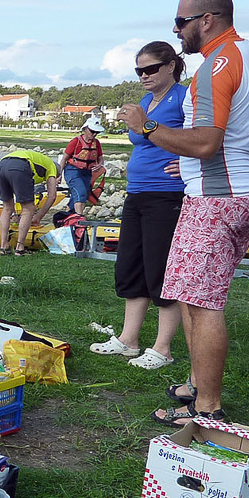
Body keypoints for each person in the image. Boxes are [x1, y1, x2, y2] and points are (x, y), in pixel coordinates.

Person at [117, 0, 249, 426]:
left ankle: (207, 407)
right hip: (244, 193)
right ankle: (197, 384)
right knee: (194, 293)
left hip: (215, 203)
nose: (176, 30)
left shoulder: (213, 68)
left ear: (206, 20)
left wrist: (147, 125)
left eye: (180, 22)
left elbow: (205, 141)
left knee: (201, 302)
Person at [90, 42, 188, 371]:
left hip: (168, 194)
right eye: (139, 70)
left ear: (171, 66)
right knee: (131, 264)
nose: (144, 76)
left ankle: (163, 348)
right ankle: (128, 339)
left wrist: (187, 164)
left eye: (151, 69)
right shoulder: (147, 101)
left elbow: (202, 137)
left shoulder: (184, 97)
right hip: (138, 191)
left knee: (161, 269)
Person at [0, 148, 60, 255]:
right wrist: (38, 217)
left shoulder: (40, 163)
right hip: (20, 166)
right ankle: (20, 248)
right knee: (29, 209)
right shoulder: (52, 167)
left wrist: (15, 214)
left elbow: (18, 192)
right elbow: (52, 196)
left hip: (1, 166)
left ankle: (4, 246)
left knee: (7, 208)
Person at [62, 118, 106, 216]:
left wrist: (99, 165)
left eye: (97, 132)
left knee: (80, 195)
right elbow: (64, 158)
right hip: (72, 170)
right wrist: (58, 176)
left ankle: (67, 216)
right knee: (80, 193)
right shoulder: (75, 141)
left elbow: (100, 158)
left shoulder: (97, 143)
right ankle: (79, 220)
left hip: (87, 172)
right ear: (85, 128)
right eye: (92, 131)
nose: (94, 134)